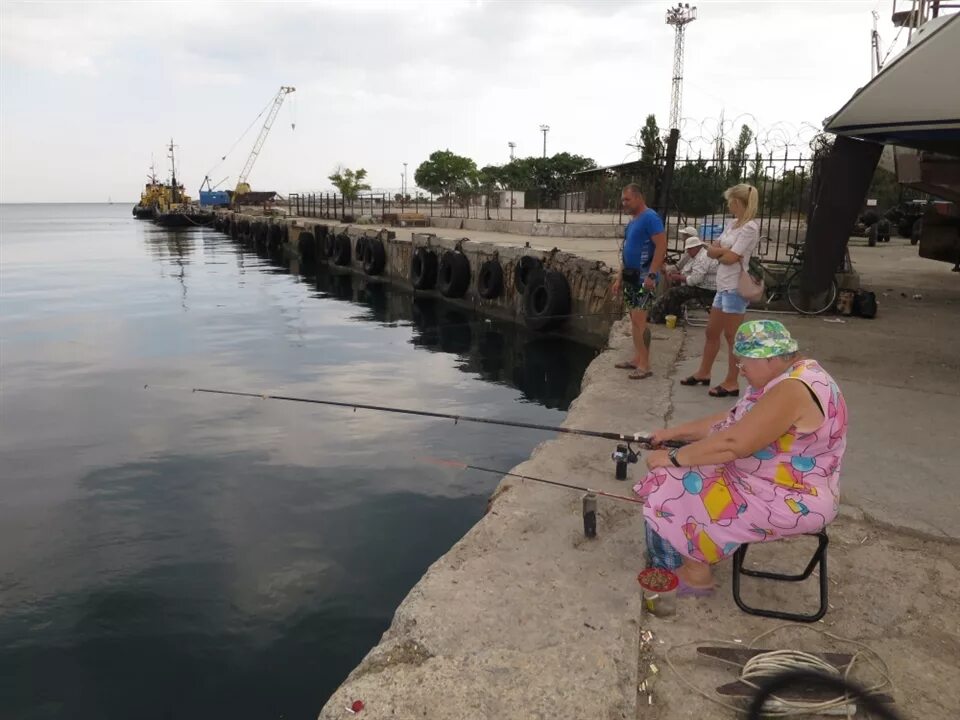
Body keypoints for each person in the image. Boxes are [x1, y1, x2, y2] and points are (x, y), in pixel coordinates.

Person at [634, 320, 848, 594]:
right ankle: (693, 551)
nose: (740, 371)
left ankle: (696, 576)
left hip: (790, 497)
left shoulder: (792, 389)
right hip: (775, 482)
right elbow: (731, 420)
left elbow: (734, 443)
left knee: (671, 481)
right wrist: (671, 433)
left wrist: (674, 457)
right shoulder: (797, 374)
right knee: (689, 470)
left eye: (743, 363)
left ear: (767, 359)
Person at [681, 184, 761, 398]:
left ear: (739, 202)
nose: (729, 205)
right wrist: (721, 252)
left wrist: (720, 252)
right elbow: (715, 251)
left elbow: (730, 257)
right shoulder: (732, 224)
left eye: (731, 201)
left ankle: (732, 381)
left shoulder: (750, 228)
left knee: (732, 336)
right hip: (722, 285)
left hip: (735, 287)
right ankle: (704, 372)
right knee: (712, 332)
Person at [611, 184, 667, 379]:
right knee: (634, 320)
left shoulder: (650, 218)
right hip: (630, 277)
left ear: (638, 197)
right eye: (623, 200)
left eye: (627, 200)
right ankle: (637, 358)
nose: (623, 203)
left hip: (644, 278)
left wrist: (652, 275)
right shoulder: (632, 221)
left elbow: (661, 246)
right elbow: (626, 251)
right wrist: (619, 278)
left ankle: (645, 364)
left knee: (641, 320)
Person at [649, 228, 718, 324]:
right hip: (703, 286)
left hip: (706, 289)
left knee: (674, 292)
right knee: (674, 292)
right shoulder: (699, 255)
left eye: (689, 250)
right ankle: (666, 315)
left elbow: (695, 280)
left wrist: (679, 277)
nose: (688, 252)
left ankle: (663, 316)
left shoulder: (702, 258)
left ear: (695, 248)